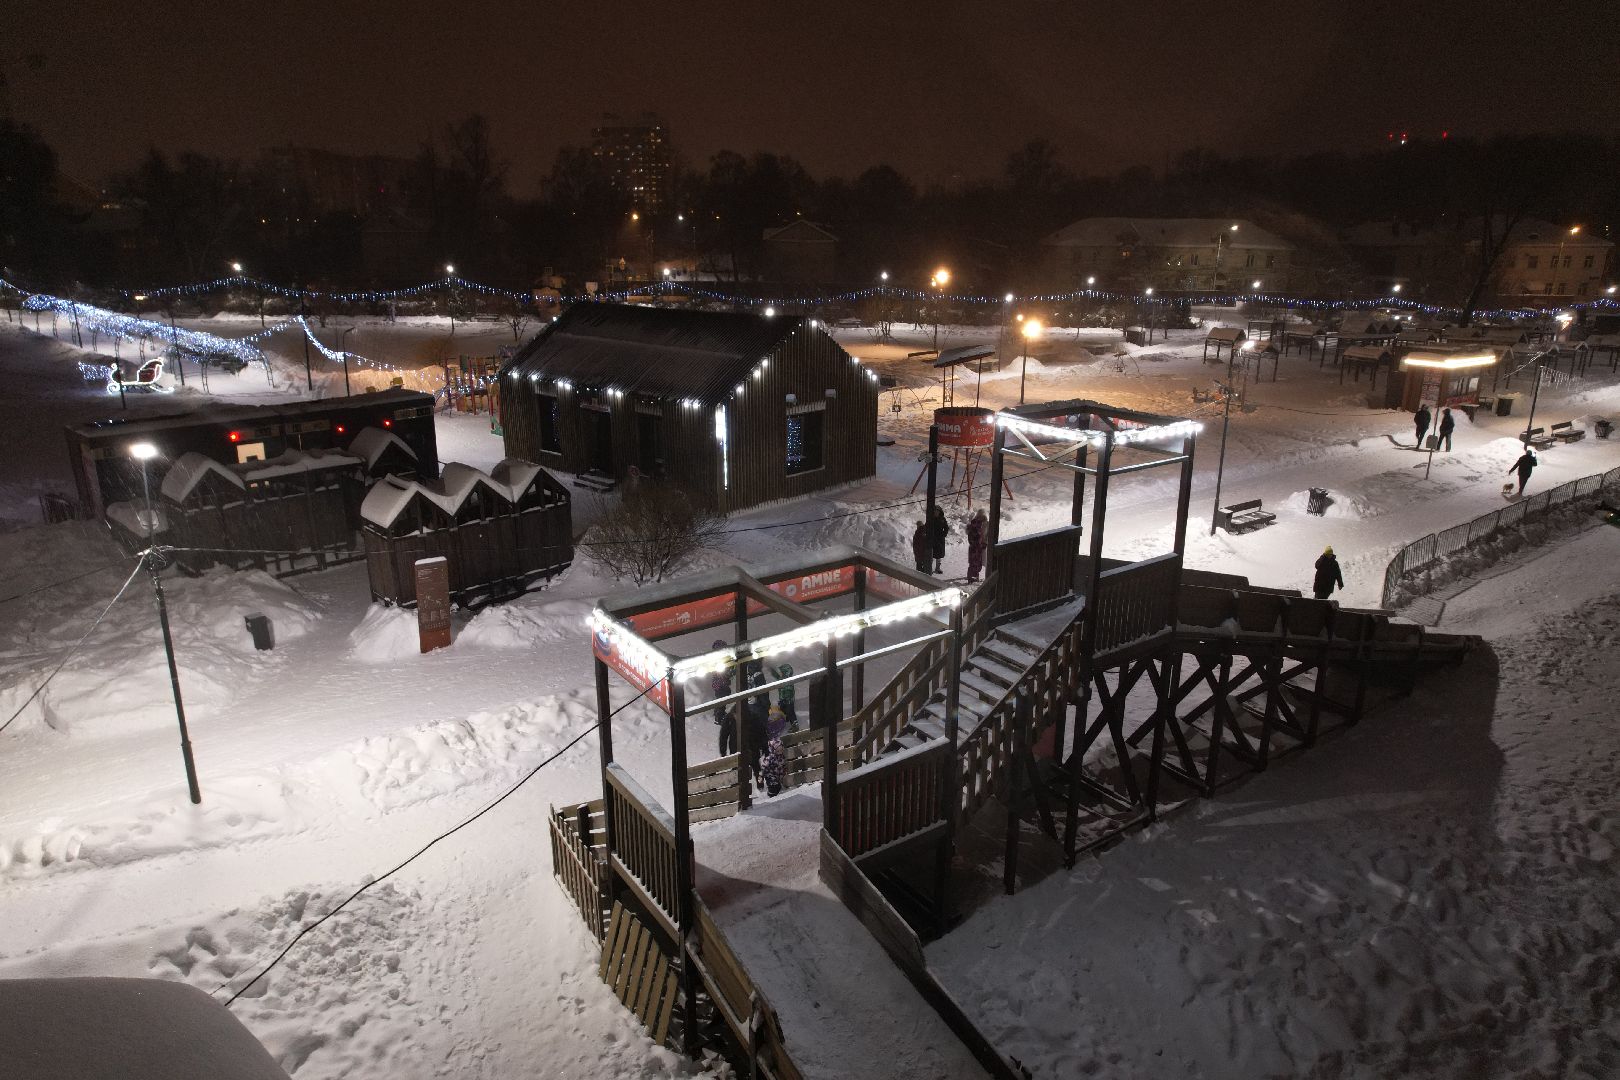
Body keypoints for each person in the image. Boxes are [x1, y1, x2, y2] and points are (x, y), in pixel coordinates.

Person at [709, 642, 735, 758]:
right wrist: (729, 672)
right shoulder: (717, 661)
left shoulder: (723, 659)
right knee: (721, 699)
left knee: (721, 698)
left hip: (721, 684)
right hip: (720, 684)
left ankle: (718, 712)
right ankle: (719, 717)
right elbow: (722, 673)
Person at [772, 662, 798, 731]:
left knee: (790, 712)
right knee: (783, 711)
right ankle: (786, 720)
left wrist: (784, 699)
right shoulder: (782, 678)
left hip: (788, 701)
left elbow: (789, 691)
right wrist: (772, 669)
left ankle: (795, 725)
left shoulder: (788, 681)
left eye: (781, 671)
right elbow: (776, 675)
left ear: (785, 672)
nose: (780, 673)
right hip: (783, 701)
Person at [966, 509, 988, 583]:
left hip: (980, 547)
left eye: (982, 517)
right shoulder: (974, 525)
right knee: (973, 563)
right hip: (975, 548)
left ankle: (975, 576)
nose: (981, 518)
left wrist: (984, 543)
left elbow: (987, 535)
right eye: (980, 516)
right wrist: (975, 543)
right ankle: (971, 577)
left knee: (979, 563)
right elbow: (971, 537)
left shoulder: (985, 524)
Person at [927, 505, 949, 574]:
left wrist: (944, 534)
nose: (936, 512)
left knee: (939, 555)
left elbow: (946, 527)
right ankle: (929, 568)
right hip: (932, 539)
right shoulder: (930, 519)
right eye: (934, 511)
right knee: (931, 554)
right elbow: (926, 527)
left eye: (937, 511)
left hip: (940, 539)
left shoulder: (942, 519)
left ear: (939, 512)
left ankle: (937, 568)